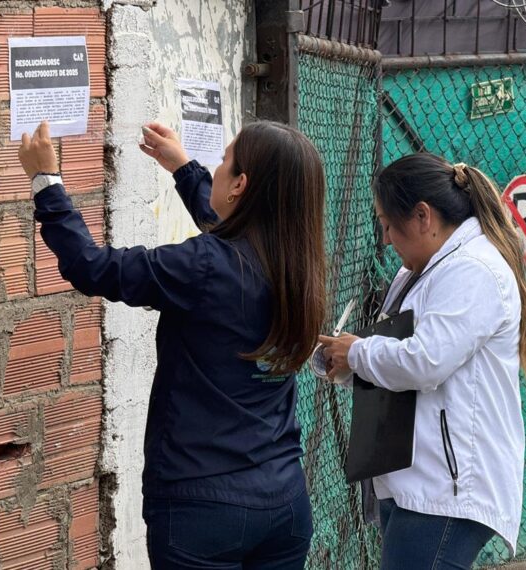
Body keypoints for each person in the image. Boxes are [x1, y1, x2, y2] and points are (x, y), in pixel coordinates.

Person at [18, 120, 327, 569]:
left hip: (202, 510)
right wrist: (184, 168)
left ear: (240, 185)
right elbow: (235, 230)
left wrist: (47, 182)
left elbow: (94, 267)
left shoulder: (204, 266)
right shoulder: (300, 267)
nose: (216, 168)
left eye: (224, 161)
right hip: (284, 503)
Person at [319, 153, 526, 569]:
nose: (385, 238)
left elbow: (425, 361)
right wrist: (351, 364)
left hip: (447, 490)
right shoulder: (422, 270)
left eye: (388, 225)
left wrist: (357, 351)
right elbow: (400, 357)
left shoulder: (473, 270)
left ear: (422, 216)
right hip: (415, 481)